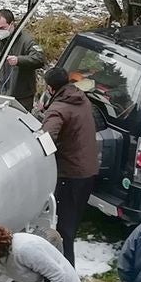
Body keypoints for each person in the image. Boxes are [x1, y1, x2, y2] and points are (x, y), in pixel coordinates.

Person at [39, 66, 99, 266]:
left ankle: (66, 274)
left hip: (70, 174)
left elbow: (45, 140)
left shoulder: (58, 109)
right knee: (71, 223)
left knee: (64, 230)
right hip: (88, 170)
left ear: (50, 88)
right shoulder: (81, 98)